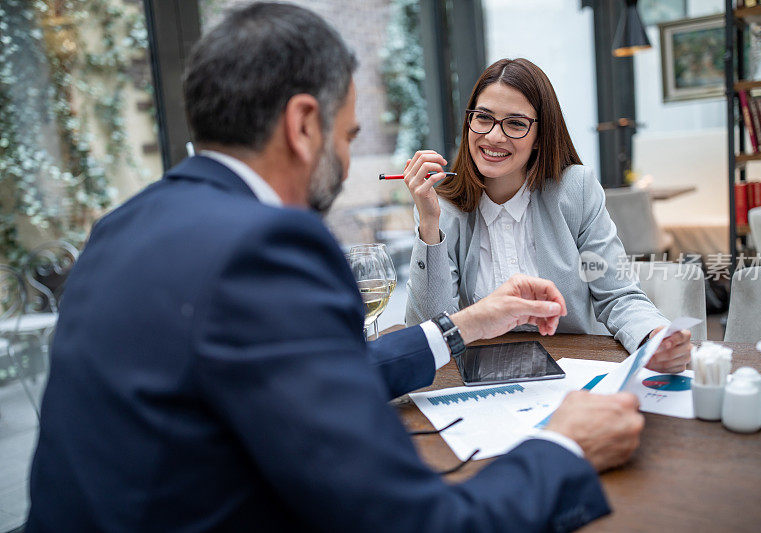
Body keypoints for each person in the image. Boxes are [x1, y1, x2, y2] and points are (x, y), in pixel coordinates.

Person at [27, 4, 644, 532]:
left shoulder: (121, 225)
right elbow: (417, 521)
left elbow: (317, 370)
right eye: (348, 136)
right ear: (302, 125)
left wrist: (465, 326)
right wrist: (565, 446)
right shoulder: (271, 247)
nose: (347, 162)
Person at [403, 58, 692, 371]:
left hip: (574, 371)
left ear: (540, 136)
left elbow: (618, 295)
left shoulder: (575, 190)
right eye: (483, 118)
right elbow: (428, 331)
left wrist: (653, 335)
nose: (494, 137)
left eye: (515, 123)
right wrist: (429, 225)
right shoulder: (444, 206)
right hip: (483, 377)